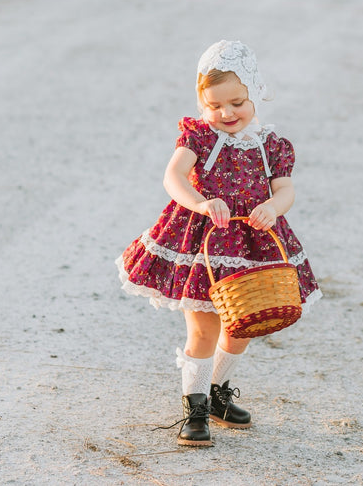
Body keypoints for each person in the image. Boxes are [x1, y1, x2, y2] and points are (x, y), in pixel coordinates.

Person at [116, 40, 321, 447]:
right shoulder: (199, 138)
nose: (227, 113)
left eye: (237, 102)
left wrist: (274, 207)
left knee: (242, 325)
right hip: (204, 244)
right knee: (204, 326)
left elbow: (286, 190)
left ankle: (218, 394)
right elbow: (172, 178)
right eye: (215, 105)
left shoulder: (270, 145)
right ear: (202, 103)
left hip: (250, 245)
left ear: (255, 93)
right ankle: (194, 408)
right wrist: (200, 201)